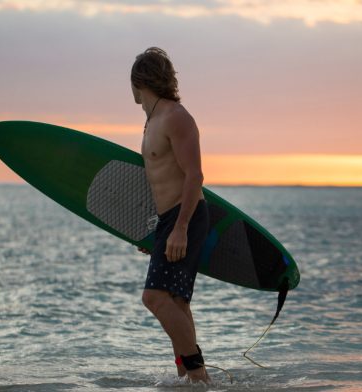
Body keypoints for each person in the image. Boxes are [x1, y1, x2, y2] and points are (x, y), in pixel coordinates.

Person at [131, 47, 211, 383]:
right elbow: (160, 180)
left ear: (138, 83)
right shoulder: (152, 121)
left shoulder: (177, 118)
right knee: (176, 301)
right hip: (170, 219)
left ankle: (198, 373)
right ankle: (189, 378)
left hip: (187, 216)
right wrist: (158, 231)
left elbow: (194, 176)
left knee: (154, 297)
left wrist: (179, 230)